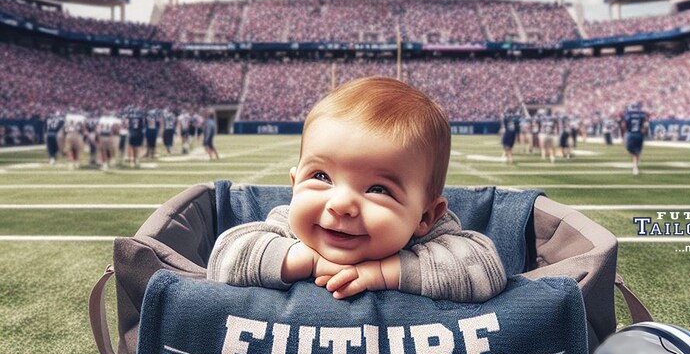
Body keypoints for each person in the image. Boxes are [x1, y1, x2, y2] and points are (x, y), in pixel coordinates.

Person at [207, 77, 507, 303]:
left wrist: (383, 273)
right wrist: (305, 260)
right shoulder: (289, 227)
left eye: (378, 189)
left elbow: (485, 270)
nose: (340, 204)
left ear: (425, 216)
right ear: (295, 185)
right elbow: (222, 259)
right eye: (321, 176)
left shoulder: (434, 237)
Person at [622, 102, 648, 176]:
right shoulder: (642, 114)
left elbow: (623, 125)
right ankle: (636, 164)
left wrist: (625, 132)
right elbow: (645, 125)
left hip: (631, 134)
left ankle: (635, 167)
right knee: (636, 152)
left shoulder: (628, 114)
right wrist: (644, 132)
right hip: (639, 134)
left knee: (631, 150)